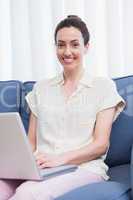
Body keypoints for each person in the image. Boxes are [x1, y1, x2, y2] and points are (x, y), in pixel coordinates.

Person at [0, 15, 125, 200]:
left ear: (86, 47)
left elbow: (100, 144)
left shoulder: (103, 87)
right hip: (42, 167)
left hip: (83, 168)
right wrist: (22, 163)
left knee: (28, 194)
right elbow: (31, 142)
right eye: (61, 44)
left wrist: (60, 159)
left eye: (75, 44)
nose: (67, 51)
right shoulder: (41, 88)